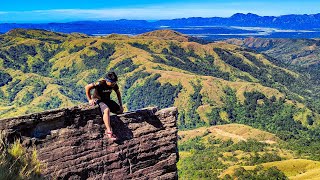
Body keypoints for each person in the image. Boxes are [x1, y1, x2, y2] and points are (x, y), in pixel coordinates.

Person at [85, 72, 124, 140]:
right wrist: (90, 99)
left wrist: (121, 105)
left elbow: (118, 93)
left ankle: (108, 120)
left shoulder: (114, 85)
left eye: (114, 82)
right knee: (106, 110)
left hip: (107, 100)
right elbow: (87, 87)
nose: (113, 84)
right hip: (98, 100)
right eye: (112, 82)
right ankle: (109, 131)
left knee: (120, 111)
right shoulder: (100, 83)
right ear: (106, 80)